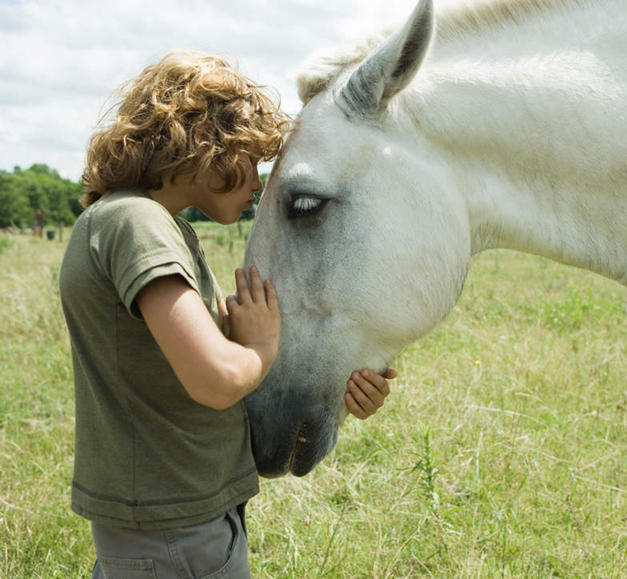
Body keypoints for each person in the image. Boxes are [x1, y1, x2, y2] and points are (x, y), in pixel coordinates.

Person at [59, 51, 397, 578]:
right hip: (176, 530)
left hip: (174, 522)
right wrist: (260, 346)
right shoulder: (136, 222)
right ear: (202, 147)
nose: (258, 185)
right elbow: (219, 379)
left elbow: (226, 364)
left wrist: (338, 383)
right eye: (248, 162)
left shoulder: (146, 224)